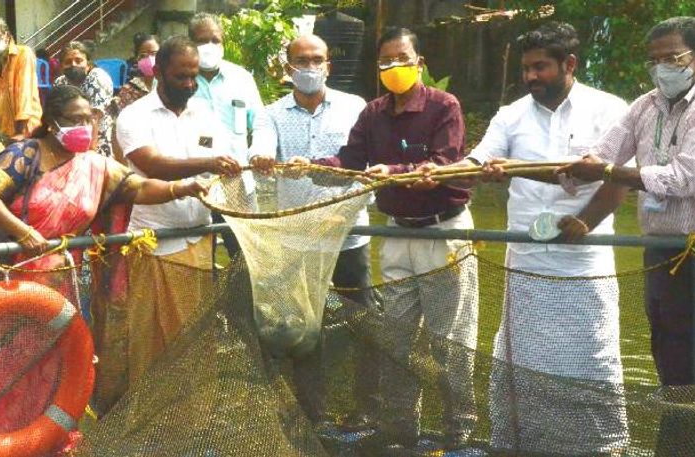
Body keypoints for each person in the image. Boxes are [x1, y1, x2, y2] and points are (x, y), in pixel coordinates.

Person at [418, 22, 629, 455]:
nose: (531, 77)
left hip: (583, 264)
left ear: (569, 64)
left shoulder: (608, 110)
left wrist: (586, 221)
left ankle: (595, 448)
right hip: (526, 260)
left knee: (589, 359)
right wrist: (438, 172)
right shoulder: (511, 113)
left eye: (541, 67)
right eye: (526, 69)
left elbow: (620, 179)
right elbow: (479, 159)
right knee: (524, 360)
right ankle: (523, 443)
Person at [0, 84, 207, 455]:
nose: (83, 127)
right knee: (10, 363)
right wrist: (23, 232)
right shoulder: (23, 155)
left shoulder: (96, 166)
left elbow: (140, 188)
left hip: (63, 283)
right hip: (14, 280)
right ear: (51, 123)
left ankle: (48, 440)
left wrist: (182, 187)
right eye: (73, 120)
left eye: (88, 120)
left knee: (58, 364)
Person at [287, 27, 478, 452]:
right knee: (397, 338)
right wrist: (313, 167)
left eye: (402, 59)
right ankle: (398, 430)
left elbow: (444, 165)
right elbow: (350, 161)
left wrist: (390, 172)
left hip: (442, 231)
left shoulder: (445, 106)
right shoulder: (373, 113)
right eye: (386, 62)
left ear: (419, 62)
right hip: (394, 232)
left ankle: (458, 430)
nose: (395, 68)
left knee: (451, 340)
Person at [549, 16, 695, 454]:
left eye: (672, 58)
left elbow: (686, 178)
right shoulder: (646, 105)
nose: (661, 69)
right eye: (653, 61)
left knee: (685, 351)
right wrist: (569, 171)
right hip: (661, 244)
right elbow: (604, 153)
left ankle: (690, 446)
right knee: (668, 349)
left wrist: (607, 171)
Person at [249, 34, 377, 428]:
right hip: (298, 237)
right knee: (304, 326)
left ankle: (367, 409)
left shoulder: (356, 108)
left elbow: (366, 168)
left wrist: (346, 211)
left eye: (316, 59)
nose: (309, 67)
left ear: (328, 66)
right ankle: (311, 413)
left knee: (364, 321)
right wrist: (260, 158)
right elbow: (260, 148)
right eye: (301, 61)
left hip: (348, 234)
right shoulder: (271, 114)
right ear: (288, 69)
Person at [116, 35, 241, 383]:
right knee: (152, 339)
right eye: (179, 76)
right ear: (157, 72)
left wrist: (233, 165)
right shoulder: (134, 116)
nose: (189, 84)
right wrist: (209, 162)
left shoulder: (204, 115)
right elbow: (152, 164)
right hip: (155, 243)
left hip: (199, 241)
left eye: (194, 76)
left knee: (195, 338)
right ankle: (150, 413)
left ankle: (192, 417)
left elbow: (221, 155)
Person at [189, 12, 265, 259]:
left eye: (215, 39)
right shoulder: (179, 80)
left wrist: (260, 151)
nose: (209, 46)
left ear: (222, 42)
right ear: (190, 43)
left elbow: (261, 122)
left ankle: (243, 298)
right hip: (194, 184)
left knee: (245, 254)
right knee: (198, 255)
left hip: (238, 181)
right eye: (201, 41)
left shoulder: (241, 78)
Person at [0, 15, 41, 141]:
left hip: (28, 128)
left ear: (6, 36)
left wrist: (21, 132)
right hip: (6, 128)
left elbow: (24, 93)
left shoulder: (23, 54)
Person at [54, 41, 114, 156]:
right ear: (61, 66)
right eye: (67, 62)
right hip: (68, 143)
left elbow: (94, 118)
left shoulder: (97, 77)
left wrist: (89, 154)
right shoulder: (60, 82)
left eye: (78, 60)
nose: (73, 65)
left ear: (88, 64)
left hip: (96, 144)